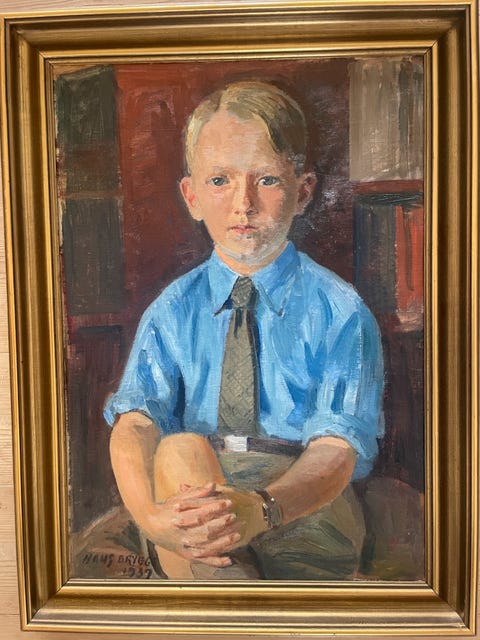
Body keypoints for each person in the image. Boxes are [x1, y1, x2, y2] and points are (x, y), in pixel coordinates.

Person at [104, 81, 384, 580]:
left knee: (196, 474)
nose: (244, 203)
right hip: (195, 490)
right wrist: (149, 517)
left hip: (299, 503)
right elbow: (135, 424)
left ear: (304, 191)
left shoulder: (340, 309)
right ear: (191, 196)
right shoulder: (172, 309)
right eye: (220, 181)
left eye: (268, 180)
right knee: (179, 449)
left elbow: (336, 449)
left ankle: (226, 591)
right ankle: (226, 583)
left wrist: (262, 508)